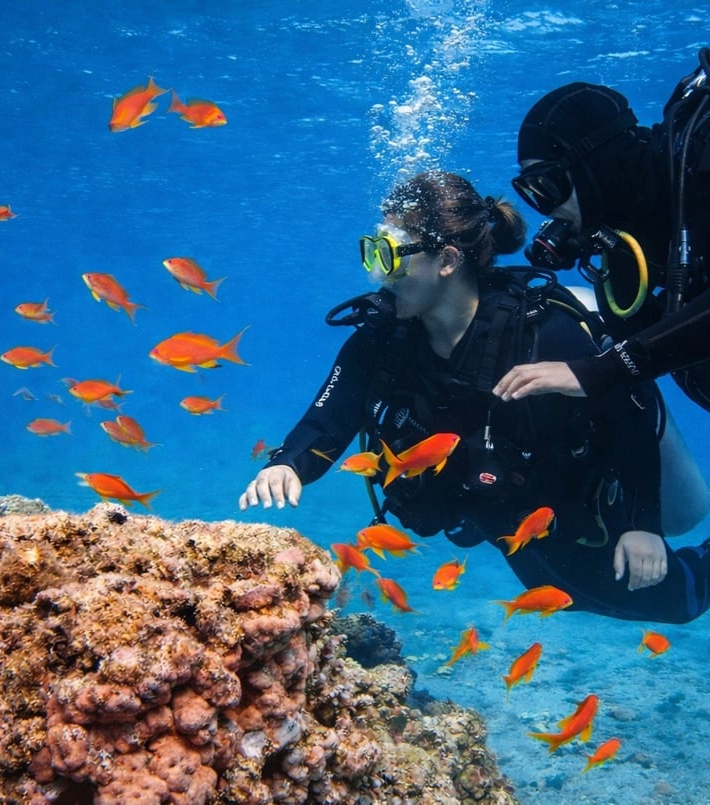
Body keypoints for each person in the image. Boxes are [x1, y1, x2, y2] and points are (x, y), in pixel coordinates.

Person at [240, 170, 710, 624]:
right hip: (502, 507)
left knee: (677, 601)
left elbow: (630, 411)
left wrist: (641, 522)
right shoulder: (384, 338)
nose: (378, 277)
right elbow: (333, 411)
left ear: (446, 261)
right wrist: (288, 463)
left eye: (390, 257)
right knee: (561, 596)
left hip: (582, 491)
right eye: (372, 254)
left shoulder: (542, 332)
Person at [495, 48, 710, 409]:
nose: (546, 208)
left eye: (549, 186)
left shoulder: (698, 175)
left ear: (596, 166)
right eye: (531, 194)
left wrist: (603, 370)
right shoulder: (625, 243)